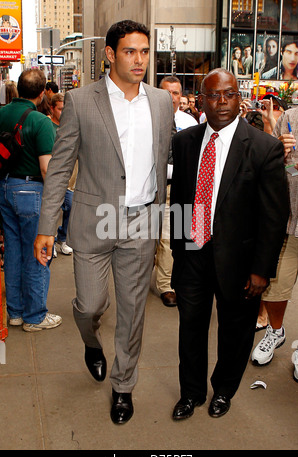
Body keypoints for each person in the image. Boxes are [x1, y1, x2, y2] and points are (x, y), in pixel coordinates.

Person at [34, 20, 174, 425]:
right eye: (130, 51)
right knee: (90, 304)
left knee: (132, 313)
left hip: (141, 221)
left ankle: (123, 386)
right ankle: (90, 342)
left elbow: (165, 158)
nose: (139, 60)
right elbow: (60, 168)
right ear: (110, 54)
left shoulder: (162, 103)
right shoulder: (81, 100)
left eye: (145, 52)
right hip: (95, 221)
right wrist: (47, 227)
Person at [170, 68, 289, 420]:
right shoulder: (185, 142)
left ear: (240, 98)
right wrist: (179, 251)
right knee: (190, 329)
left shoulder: (264, 148)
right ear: (201, 100)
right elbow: (179, 202)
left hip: (240, 264)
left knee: (235, 332)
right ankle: (191, 393)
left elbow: (274, 216)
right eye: (214, 95)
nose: (222, 102)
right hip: (192, 256)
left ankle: (223, 390)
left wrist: (261, 270)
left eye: (230, 94)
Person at [0, 69, 62, 332]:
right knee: (39, 252)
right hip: (30, 190)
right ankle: (35, 316)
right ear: (41, 94)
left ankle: (14, 312)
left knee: (13, 251)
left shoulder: (1, 113)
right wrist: (54, 204)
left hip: (3, 187)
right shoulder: (41, 121)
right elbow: (47, 168)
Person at [251, 105, 298, 382]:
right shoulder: (290, 118)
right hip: (290, 220)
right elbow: (282, 168)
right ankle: (275, 332)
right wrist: (281, 153)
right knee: (275, 286)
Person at [156, 76, 197, 308]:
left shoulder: (189, 122)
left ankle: (166, 285)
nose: (173, 98)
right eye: (168, 92)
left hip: (179, 188)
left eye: (176, 93)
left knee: (171, 237)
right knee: (153, 239)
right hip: (152, 188)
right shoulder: (148, 119)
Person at [50, 93, 75, 257]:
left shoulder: (71, 125)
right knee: (52, 209)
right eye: (60, 109)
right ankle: (50, 240)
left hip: (70, 181)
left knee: (71, 207)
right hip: (52, 179)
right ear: (52, 109)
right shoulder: (47, 125)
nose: (63, 112)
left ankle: (63, 238)